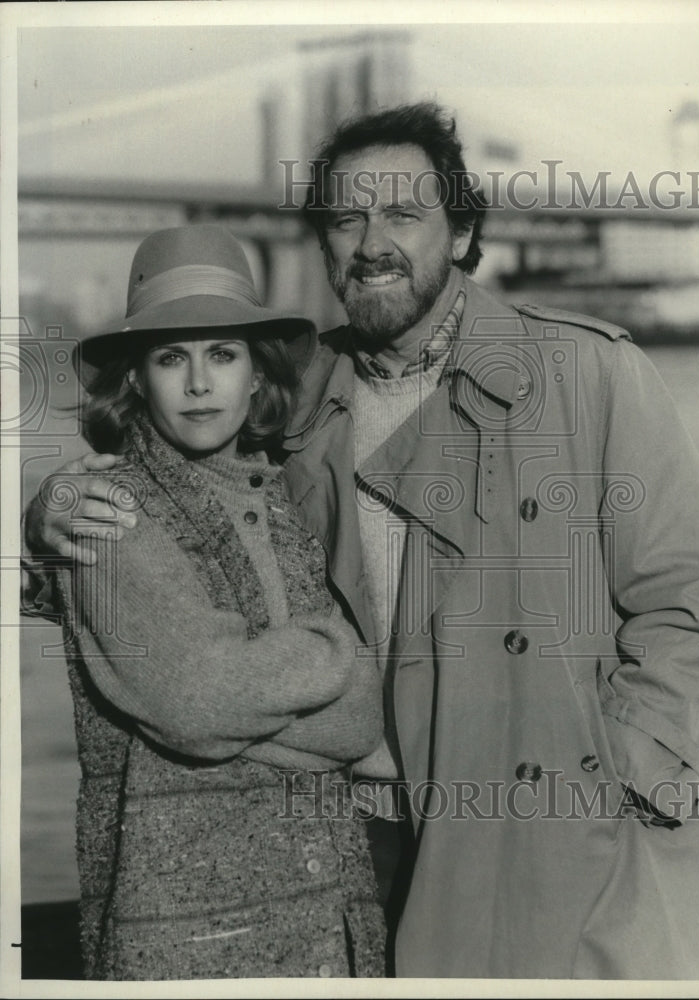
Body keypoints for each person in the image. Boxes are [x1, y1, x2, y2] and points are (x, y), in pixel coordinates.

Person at [26, 103, 699, 980]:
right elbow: (166, 483)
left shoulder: (587, 374)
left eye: (403, 213)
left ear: (462, 228)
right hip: (356, 843)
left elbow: (694, 602)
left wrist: (617, 781)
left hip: (552, 841)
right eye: (345, 218)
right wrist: (54, 508)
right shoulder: (289, 396)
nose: (372, 242)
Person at [30, 224, 386, 980]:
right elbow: (199, 701)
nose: (198, 384)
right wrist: (340, 660)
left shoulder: (284, 500)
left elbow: (352, 722)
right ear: (135, 379)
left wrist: (247, 710)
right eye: (171, 358)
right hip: (182, 946)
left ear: (257, 376)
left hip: (322, 922)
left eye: (222, 355)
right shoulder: (108, 512)